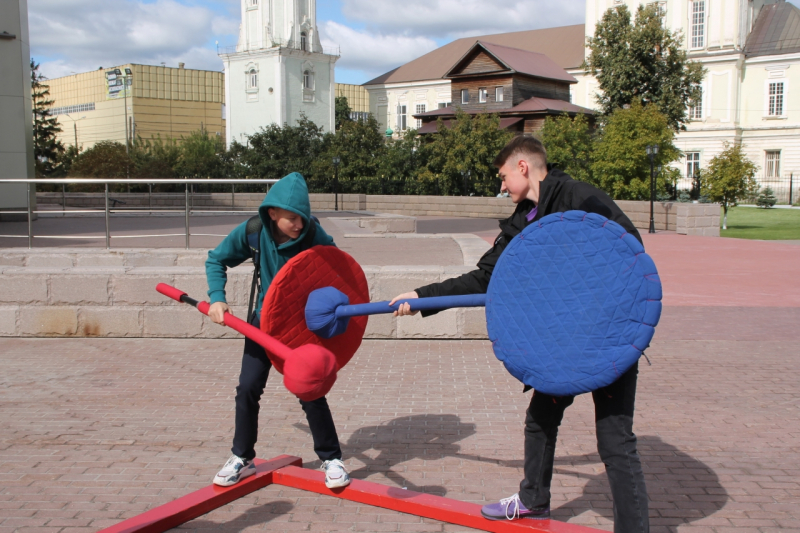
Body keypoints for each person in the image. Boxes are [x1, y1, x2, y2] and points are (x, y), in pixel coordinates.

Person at [389, 136, 649, 533]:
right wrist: (423, 297)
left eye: (503, 176)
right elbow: (485, 278)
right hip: (562, 345)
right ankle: (533, 502)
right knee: (541, 419)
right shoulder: (523, 221)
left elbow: (628, 253)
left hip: (607, 338)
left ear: (523, 167)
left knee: (614, 440)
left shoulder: (580, 198)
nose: (502, 186)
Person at [205, 172, 350, 489]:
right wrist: (217, 298)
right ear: (272, 213)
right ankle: (242, 457)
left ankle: (331, 458)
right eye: (291, 218)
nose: (298, 224)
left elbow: (338, 268)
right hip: (263, 325)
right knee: (248, 388)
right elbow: (216, 260)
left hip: (301, 328)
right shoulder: (254, 231)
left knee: (310, 390)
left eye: (302, 218)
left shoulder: (313, 233)